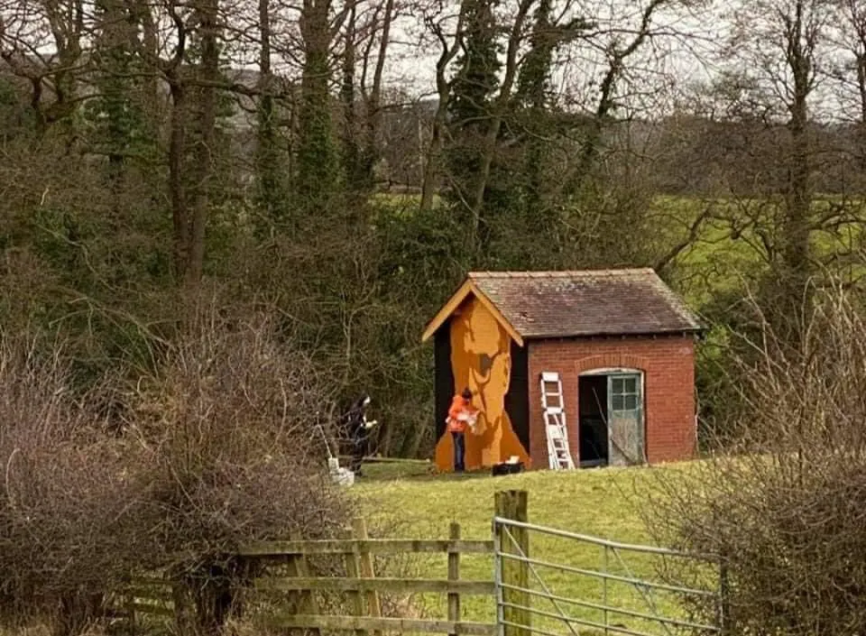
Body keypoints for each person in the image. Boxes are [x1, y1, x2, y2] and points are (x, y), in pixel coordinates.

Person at [341, 394, 378, 476]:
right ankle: (354, 469)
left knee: (361, 452)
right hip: (357, 434)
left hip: (361, 433)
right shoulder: (356, 411)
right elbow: (355, 423)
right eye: (366, 402)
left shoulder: (361, 410)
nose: (367, 404)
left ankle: (357, 469)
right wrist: (366, 425)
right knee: (357, 452)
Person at [446, 387, 477, 473]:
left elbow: (465, 412)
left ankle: (460, 466)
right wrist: (460, 417)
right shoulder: (460, 402)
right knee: (460, 448)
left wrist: (473, 414)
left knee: (459, 448)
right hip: (457, 428)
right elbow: (451, 412)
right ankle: (459, 467)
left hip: (456, 428)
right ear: (467, 398)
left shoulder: (460, 402)